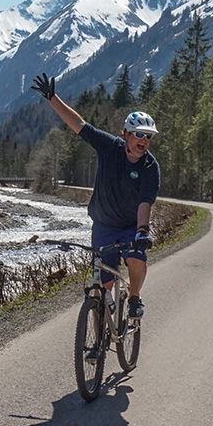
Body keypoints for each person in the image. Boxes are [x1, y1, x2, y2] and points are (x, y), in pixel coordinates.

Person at [31, 73, 159, 319]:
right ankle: (95, 350)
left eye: (148, 136)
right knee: (101, 290)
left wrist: (143, 230)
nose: (144, 140)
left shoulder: (150, 167)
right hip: (103, 226)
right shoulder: (109, 147)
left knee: (136, 258)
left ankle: (134, 297)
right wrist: (52, 98)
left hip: (131, 226)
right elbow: (79, 125)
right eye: (139, 134)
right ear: (126, 134)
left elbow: (146, 201)